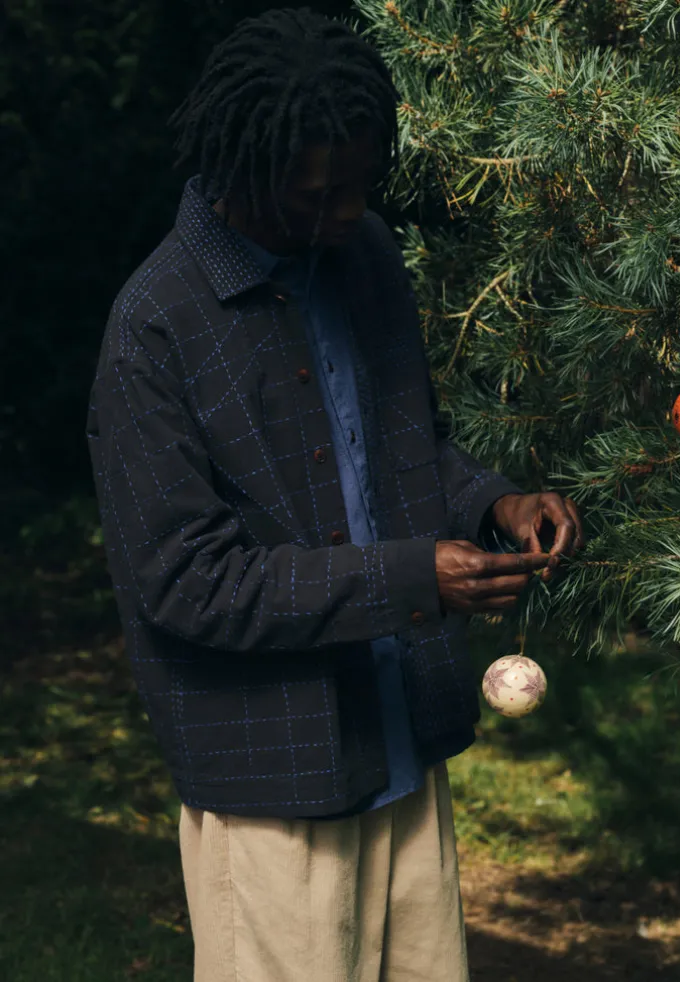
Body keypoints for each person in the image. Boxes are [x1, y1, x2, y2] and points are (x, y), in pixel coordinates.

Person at [86, 7, 583, 981]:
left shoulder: (362, 257)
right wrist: (410, 576)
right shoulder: (156, 325)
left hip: (398, 742)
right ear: (246, 171)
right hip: (273, 774)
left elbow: (405, 453)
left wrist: (492, 503)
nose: (347, 213)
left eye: (360, 184)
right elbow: (186, 583)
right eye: (320, 196)